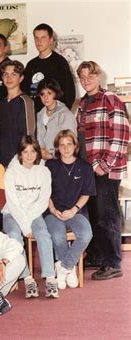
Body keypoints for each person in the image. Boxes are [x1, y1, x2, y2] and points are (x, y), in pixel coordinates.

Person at [76, 61, 130, 280]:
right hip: (88, 170)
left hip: (105, 169)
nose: (86, 80)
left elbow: (121, 135)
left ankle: (112, 262)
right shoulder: (82, 103)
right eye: (82, 76)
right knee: (94, 214)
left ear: (98, 76)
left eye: (90, 76)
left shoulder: (111, 100)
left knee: (107, 215)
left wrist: (104, 165)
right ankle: (97, 256)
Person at [2, 135, 58, 298]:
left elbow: (42, 201)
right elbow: (12, 202)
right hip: (12, 213)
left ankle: (50, 278)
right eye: (25, 152)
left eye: (33, 151)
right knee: (14, 235)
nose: (29, 156)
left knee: (43, 234)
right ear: (20, 153)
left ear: (37, 153)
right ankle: (27, 278)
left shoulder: (44, 171)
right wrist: (25, 228)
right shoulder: (11, 172)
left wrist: (28, 222)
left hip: (34, 213)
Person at [45, 130, 95, 289]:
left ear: (75, 146)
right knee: (58, 236)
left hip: (76, 211)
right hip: (54, 212)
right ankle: (70, 270)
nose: (66, 148)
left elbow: (86, 194)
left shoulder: (85, 168)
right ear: (57, 148)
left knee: (87, 234)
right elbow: (44, 192)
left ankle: (65, 266)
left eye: (69, 144)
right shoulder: (50, 166)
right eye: (62, 145)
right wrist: (52, 209)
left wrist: (73, 210)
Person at [22, 23, 76, 112]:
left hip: (56, 116)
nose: (39, 41)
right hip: (36, 117)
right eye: (36, 38)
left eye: (43, 37)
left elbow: (69, 93)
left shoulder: (60, 62)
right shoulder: (31, 65)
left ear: (51, 40)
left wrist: (61, 115)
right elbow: (26, 92)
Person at [0, 60, 35, 166]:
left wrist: (23, 161)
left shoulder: (26, 101)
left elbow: (29, 135)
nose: (9, 78)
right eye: (5, 75)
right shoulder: (1, 104)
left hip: (20, 161)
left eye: (14, 74)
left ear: (21, 78)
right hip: (3, 161)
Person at [36, 79, 77, 160]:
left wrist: (52, 155)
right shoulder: (38, 115)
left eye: (49, 93)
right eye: (42, 94)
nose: (45, 97)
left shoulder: (65, 115)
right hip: (41, 162)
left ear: (56, 93)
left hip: (60, 161)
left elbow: (72, 144)